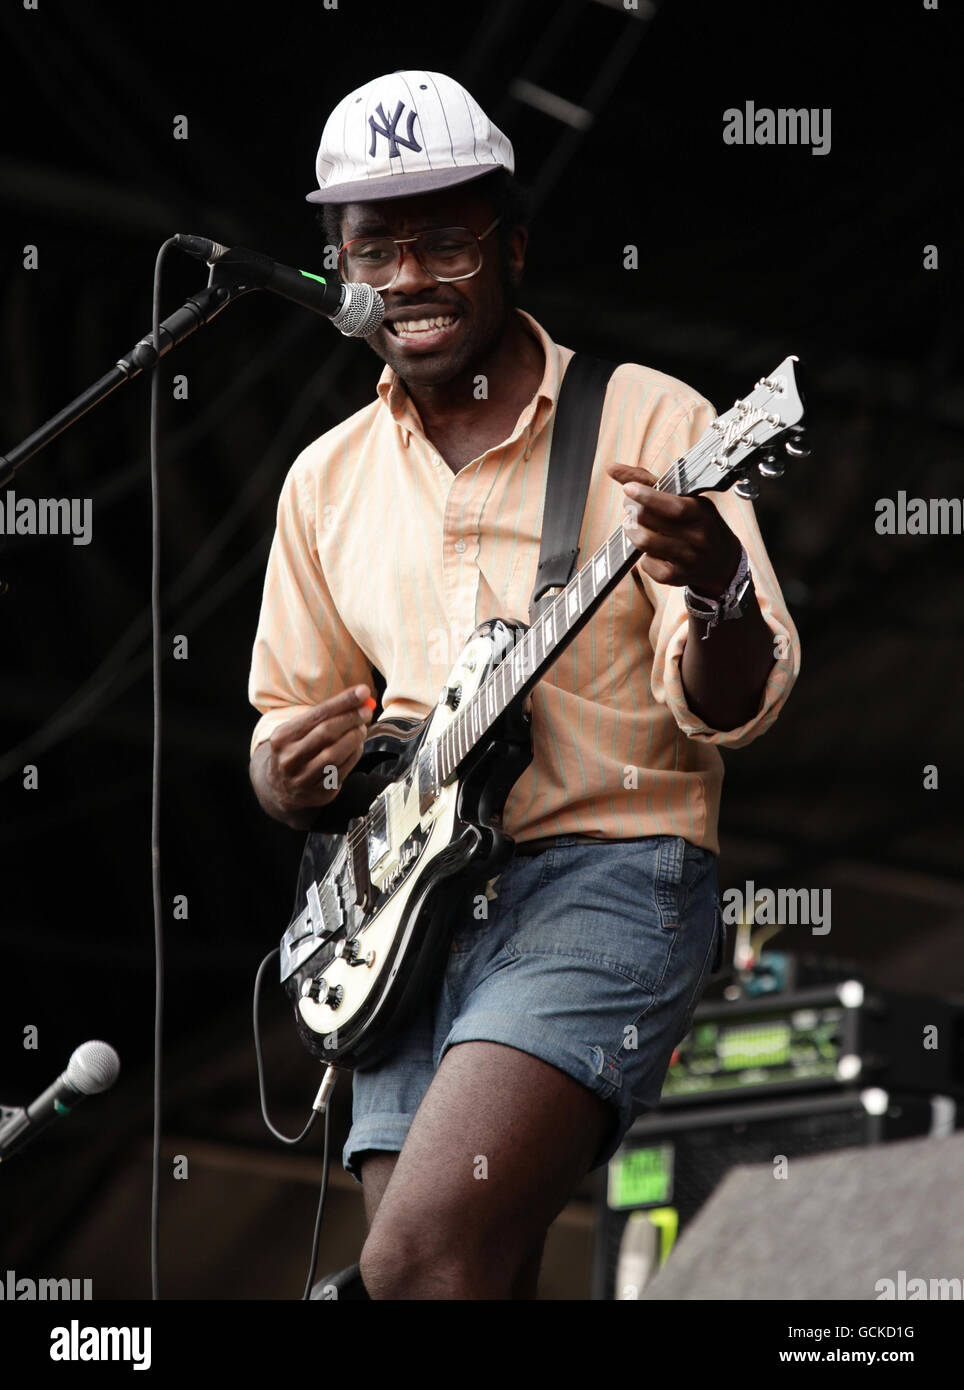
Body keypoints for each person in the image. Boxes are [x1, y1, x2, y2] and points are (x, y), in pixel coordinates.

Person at [248, 70, 800, 1300]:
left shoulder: (649, 414)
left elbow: (733, 702)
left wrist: (711, 582)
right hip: (397, 919)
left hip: (603, 876)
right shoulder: (321, 481)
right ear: (338, 269)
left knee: (415, 1258)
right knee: (462, 1283)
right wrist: (285, 775)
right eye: (374, 248)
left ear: (509, 245)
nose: (407, 275)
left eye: (442, 239)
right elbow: (289, 720)